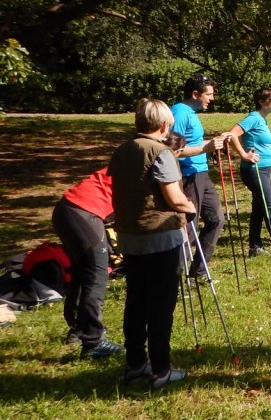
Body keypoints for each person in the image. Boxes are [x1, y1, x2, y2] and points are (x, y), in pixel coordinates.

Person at [109, 98, 196, 389]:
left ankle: (136, 363)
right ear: (164, 125)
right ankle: (161, 368)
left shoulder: (122, 149)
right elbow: (173, 198)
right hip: (158, 237)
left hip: (129, 236)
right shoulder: (160, 151)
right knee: (160, 305)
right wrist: (189, 206)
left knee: (136, 302)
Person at [51, 167, 123, 358]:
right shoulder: (151, 162)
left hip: (69, 210)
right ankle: (93, 342)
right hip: (83, 211)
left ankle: (78, 330)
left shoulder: (132, 154)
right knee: (97, 274)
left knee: (83, 271)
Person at [170, 74, 228, 280]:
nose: (211, 98)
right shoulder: (179, 112)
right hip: (187, 176)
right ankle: (176, 275)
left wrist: (214, 142)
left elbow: (193, 141)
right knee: (189, 225)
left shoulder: (191, 113)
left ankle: (199, 271)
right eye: (208, 94)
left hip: (201, 173)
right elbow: (173, 150)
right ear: (195, 94)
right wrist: (206, 147)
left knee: (217, 219)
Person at [228, 88, 271, 257]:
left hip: (264, 169)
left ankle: (255, 246)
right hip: (253, 170)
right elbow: (231, 134)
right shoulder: (253, 118)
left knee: (259, 208)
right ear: (261, 101)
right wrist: (244, 155)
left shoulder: (262, 120)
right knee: (269, 206)